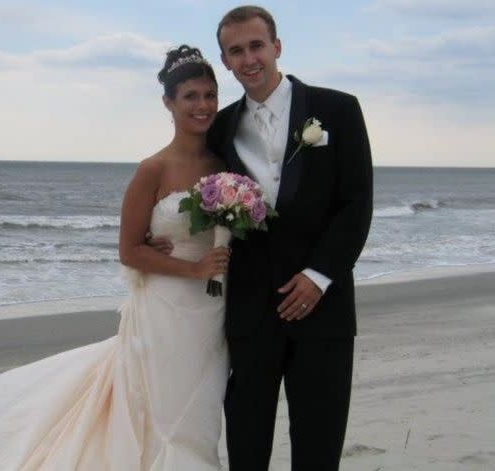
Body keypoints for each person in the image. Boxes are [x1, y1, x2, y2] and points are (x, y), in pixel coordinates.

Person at [0, 45, 231, 470]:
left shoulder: (223, 165)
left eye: (210, 95)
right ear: (168, 102)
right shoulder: (153, 168)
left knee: (200, 414)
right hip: (165, 308)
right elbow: (129, 251)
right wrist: (193, 267)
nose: (203, 106)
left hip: (210, 309)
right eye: (191, 96)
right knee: (163, 413)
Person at [151, 5, 373, 470]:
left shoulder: (338, 109)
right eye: (236, 51)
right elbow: (191, 187)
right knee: (247, 447)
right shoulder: (221, 127)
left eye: (256, 46)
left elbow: (356, 205)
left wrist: (318, 276)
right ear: (226, 60)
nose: (249, 58)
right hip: (250, 311)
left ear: (276, 47)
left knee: (319, 445)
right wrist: (160, 236)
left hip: (324, 310)